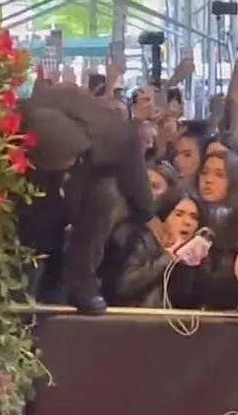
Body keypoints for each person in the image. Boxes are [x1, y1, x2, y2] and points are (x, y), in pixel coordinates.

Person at [17, 83, 168, 314]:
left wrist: (148, 215)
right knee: (36, 229)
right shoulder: (15, 126)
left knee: (103, 198)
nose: (63, 176)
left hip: (89, 175)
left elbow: (135, 176)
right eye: (57, 170)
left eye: (65, 168)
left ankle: (82, 285)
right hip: (30, 183)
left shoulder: (113, 136)